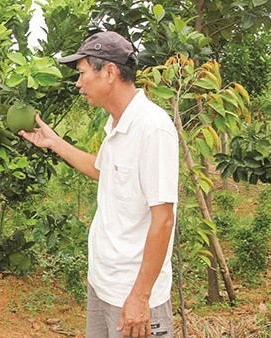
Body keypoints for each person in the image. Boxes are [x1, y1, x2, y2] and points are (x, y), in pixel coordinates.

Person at [20, 31, 179, 338]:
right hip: (104, 285)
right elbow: (100, 169)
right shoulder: (118, 123)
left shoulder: (153, 128)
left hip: (133, 295)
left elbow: (163, 219)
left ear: (109, 72)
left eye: (82, 74)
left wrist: (140, 297)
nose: (78, 84)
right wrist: (53, 142)